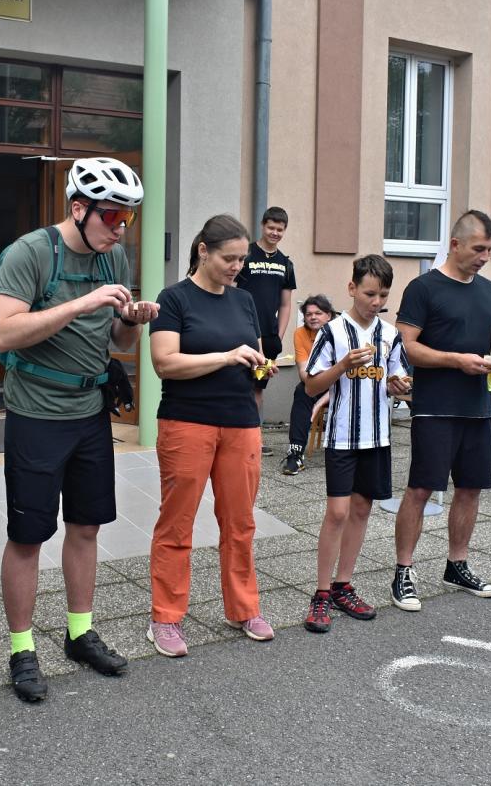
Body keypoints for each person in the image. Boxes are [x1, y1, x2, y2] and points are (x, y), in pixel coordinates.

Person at [0, 156, 158, 701]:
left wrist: (131, 322)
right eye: (111, 216)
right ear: (79, 208)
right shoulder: (30, 253)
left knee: (86, 526)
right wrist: (84, 301)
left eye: (128, 218)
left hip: (90, 411)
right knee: (28, 535)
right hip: (36, 413)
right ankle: (21, 648)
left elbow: (119, 343)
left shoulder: (114, 259)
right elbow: (4, 334)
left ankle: (79, 633)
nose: (120, 228)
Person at [148, 214, 277, 657]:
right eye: (229, 258)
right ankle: (165, 618)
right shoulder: (174, 298)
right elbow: (165, 363)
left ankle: (244, 608)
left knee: (241, 523)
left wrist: (261, 366)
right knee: (177, 523)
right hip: (187, 422)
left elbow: (253, 354)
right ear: (203, 251)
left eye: (242, 259)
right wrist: (225, 356)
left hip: (241, 422)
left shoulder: (244, 300)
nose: (236, 267)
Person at [390, 210, 491, 612]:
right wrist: (455, 360)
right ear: (455, 244)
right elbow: (405, 346)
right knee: (420, 489)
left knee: (470, 488)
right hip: (435, 407)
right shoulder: (423, 288)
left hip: (477, 406)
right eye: (479, 248)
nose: (485, 257)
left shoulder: (487, 292)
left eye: (490, 250)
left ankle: (457, 565)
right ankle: (403, 571)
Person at [300, 255, 409, 633]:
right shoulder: (332, 331)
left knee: (362, 510)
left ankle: (343, 585)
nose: (376, 302)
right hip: (342, 436)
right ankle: (320, 593)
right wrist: (343, 365)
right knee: (337, 513)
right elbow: (311, 386)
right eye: (369, 294)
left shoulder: (390, 334)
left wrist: (399, 386)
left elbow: (397, 382)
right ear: (351, 288)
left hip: (377, 437)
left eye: (383, 295)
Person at [234, 206, 296, 455]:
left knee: (257, 388)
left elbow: (286, 304)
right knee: (237, 385)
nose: (275, 233)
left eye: (280, 229)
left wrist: (278, 337)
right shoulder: (246, 255)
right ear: (262, 225)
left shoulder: (285, 264)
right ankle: (234, 437)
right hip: (242, 334)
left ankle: (254, 440)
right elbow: (231, 290)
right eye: (271, 227)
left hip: (268, 338)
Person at [280, 294, 336, 475]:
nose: (312, 317)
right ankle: (295, 453)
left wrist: (321, 401)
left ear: (329, 315)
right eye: (308, 314)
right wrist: (315, 387)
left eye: (318, 313)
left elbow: (346, 374)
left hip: (345, 384)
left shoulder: (340, 332)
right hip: (317, 383)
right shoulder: (300, 333)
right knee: (302, 391)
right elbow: (304, 372)